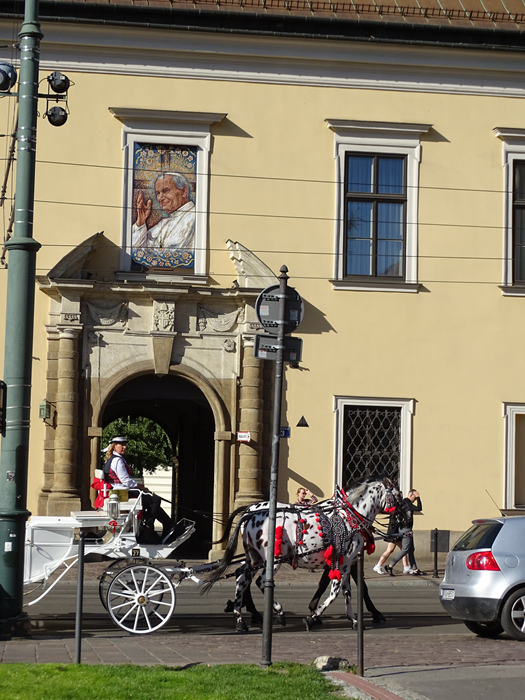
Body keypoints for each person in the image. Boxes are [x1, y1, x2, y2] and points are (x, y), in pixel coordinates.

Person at [103, 436, 175, 544]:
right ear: (114, 446)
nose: (124, 447)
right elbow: (125, 481)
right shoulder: (117, 460)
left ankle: (167, 524)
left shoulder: (114, 459)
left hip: (120, 491)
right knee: (155, 500)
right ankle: (149, 528)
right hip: (122, 493)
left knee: (152, 500)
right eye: (121, 445)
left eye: (125, 445)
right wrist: (140, 486)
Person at [132, 173, 195, 251]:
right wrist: (140, 223)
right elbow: (137, 251)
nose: (160, 198)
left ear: (184, 191)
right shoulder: (163, 223)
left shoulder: (197, 217)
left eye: (166, 191)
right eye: (158, 193)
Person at [384, 489, 425, 576]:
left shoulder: (406, 503)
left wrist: (416, 497)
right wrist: (418, 497)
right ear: (410, 495)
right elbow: (419, 508)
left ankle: (415, 569)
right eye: (414, 498)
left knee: (411, 550)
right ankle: (390, 566)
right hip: (405, 529)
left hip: (407, 529)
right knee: (405, 549)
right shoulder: (406, 503)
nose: (415, 500)